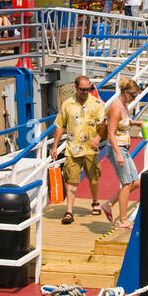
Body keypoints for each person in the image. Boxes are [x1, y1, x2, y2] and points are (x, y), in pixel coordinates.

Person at [50, 75, 105, 225]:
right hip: (73, 149)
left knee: (93, 179)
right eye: (82, 89)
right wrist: (54, 146)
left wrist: (99, 138)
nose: (85, 92)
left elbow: (102, 124)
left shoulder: (96, 103)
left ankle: (95, 202)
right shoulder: (67, 104)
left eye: (88, 89)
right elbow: (60, 126)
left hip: (90, 149)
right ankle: (69, 212)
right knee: (72, 181)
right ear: (75, 87)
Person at [97, 77, 145, 229]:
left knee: (136, 181)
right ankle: (123, 220)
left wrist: (136, 123)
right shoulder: (116, 108)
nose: (133, 99)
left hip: (123, 147)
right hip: (117, 148)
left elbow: (124, 121)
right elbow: (110, 133)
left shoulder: (123, 106)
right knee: (127, 183)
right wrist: (118, 154)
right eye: (132, 95)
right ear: (125, 92)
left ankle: (108, 204)